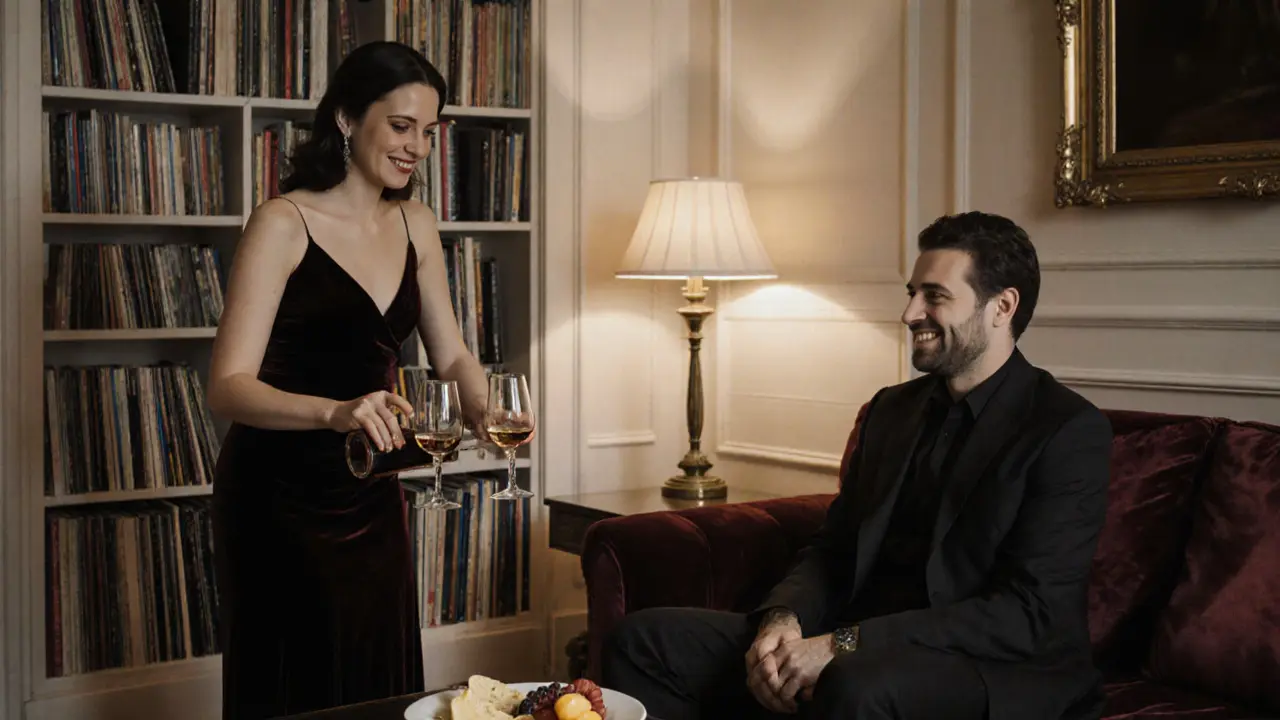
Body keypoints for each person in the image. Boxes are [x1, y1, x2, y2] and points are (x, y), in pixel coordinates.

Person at [601, 211, 1114, 720]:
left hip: (993, 667)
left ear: (1002, 306)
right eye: (912, 292)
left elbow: (1025, 615)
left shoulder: (1066, 430)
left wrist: (841, 645)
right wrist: (784, 622)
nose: (910, 313)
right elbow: (835, 547)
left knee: (853, 684)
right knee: (644, 641)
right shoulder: (892, 410)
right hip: (857, 638)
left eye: (934, 296)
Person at [206, 42, 491, 719]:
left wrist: (485, 405)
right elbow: (228, 387)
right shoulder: (283, 222)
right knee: (292, 685)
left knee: (378, 679)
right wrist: (336, 412)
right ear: (344, 118)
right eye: (400, 126)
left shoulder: (418, 223)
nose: (417, 147)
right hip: (277, 498)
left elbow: (449, 355)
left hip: (372, 490)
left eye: (428, 131)